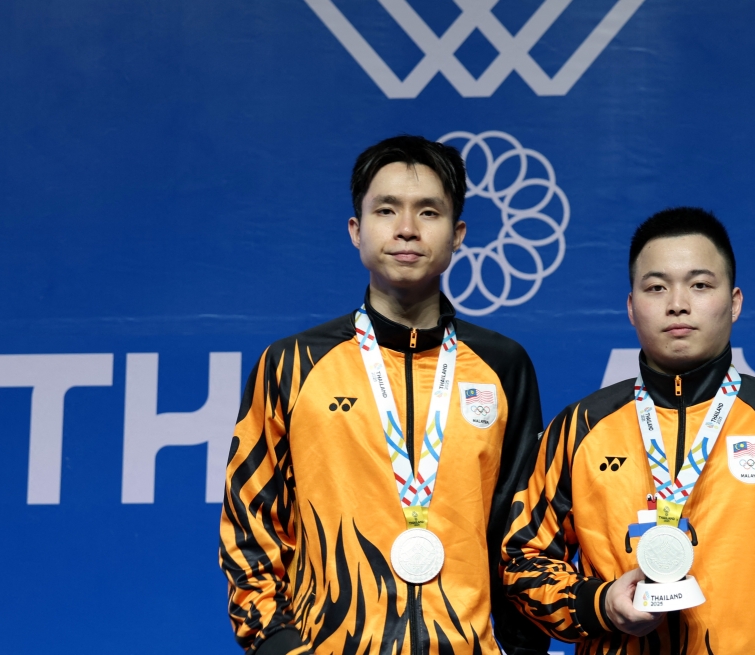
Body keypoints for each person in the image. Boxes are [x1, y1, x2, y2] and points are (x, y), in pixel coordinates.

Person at [501, 207, 755, 654]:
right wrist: (598, 604)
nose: (677, 303)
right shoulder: (581, 427)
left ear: (734, 302)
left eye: (700, 285)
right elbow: (523, 560)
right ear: (631, 307)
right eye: (656, 287)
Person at [220, 135, 549, 655]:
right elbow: (249, 525)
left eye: (429, 212)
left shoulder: (503, 366)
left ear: (458, 233)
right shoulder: (290, 365)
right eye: (386, 210)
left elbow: (523, 530)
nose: (406, 229)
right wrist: (278, 646)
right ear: (356, 230)